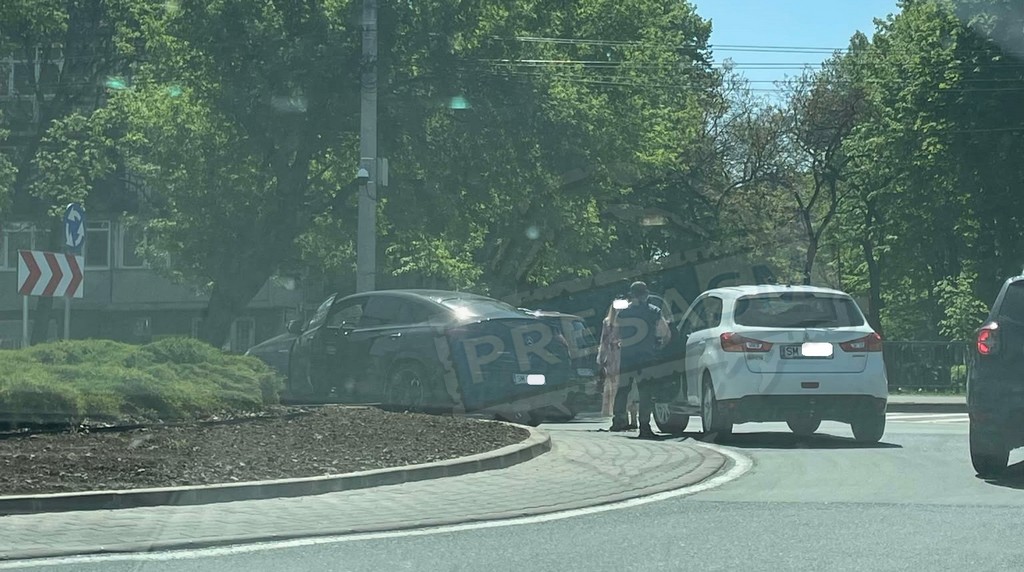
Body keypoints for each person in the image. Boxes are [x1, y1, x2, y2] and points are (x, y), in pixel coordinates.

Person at [612, 281, 671, 438]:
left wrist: (620, 344)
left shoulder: (623, 313)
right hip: (646, 356)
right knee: (646, 391)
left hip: (627, 355)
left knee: (623, 389)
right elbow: (665, 333)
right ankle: (644, 425)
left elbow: (615, 333)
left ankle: (618, 420)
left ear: (631, 295)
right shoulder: (654, 311)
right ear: (645, 294)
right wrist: (659, 347)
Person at [596, 302, 624, 420]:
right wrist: (602, 357)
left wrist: (601, 357)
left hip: (619, 353)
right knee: (614, 383)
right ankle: (617, 411)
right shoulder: (608, 322)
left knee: (618, 383)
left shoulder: (619, 320)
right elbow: (604, 340)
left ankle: (619, 411)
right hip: (614, 354)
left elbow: (604, 341)